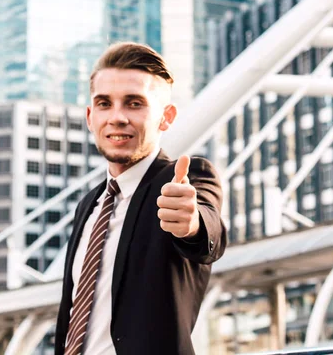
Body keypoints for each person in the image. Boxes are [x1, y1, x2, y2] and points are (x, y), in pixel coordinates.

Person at [54, 42, 227, 355]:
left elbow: (208, 229)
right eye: (104, 104)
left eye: (134, 104)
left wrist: (191, 223)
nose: (117, 117)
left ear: (166, 117)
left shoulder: (186, 179)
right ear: (91, 117)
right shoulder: (88, 207)